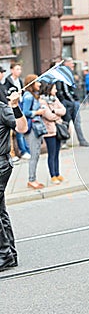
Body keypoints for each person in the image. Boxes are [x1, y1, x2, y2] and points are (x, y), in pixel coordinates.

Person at [0, 89, 28, 271]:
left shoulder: (2, 109)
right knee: (1, 211)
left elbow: (22, 128)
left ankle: (4, 255)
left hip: (1, 164)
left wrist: (16, 106)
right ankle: (9, 254)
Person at [56, 58, 89, 147]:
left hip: (72, 101)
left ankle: (81, 140)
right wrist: (73, 101)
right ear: (66, 64)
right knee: (67, 122)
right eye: (71, 63)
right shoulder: (64, 74)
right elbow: (65, 90)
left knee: (76, 122)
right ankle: (64, 142)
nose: (73, 65)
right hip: (70, 102)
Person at [39, 82, 66, 184]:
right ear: (48, 90)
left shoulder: (55, 99)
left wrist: (55, 110)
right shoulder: (42, 101)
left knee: (57, 153)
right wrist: (57, 116)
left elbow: (64, 110)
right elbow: (48, 116)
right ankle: (53, 175)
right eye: (54, 89)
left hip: (57, 130)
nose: (56, 91)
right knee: (52, 153)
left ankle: (58, 173)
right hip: (49, 131)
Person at [22, 75, 45, 190]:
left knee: (36, 154)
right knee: (34, 154)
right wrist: (37, 112)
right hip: (31, 129)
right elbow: (25, 112)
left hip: (36, 128)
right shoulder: (28, 96)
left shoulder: (32, 96)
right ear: (31, 83)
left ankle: (33, 179)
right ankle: (31, 180)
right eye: (37, 82)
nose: (39, 84)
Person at [4, 61, 31, 160]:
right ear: (12, 70)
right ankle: (23, 151)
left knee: (24, 127)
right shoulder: (7, 82)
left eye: (20, 69)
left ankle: (26, 150)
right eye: (17, 69)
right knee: (18, 130)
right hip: (13, 106)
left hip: (20, 105)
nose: (19, 71)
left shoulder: (19, 81)